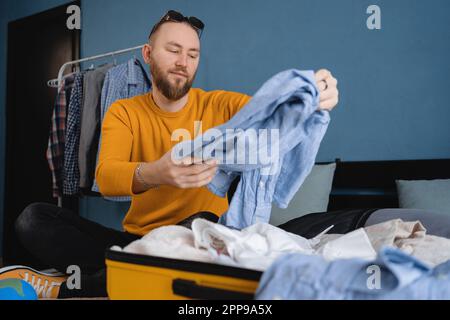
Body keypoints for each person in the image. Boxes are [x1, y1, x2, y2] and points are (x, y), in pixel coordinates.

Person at [0, 10, 339, 298]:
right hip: (137, 240)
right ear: (148, 54)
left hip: (197, 237)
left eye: (192, 54)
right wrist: (157, 173)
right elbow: (106, 176)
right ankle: (136, 273)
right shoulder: (124, 111)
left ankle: (69, 289)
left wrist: (311, 97)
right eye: (173, 50)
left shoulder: (222, 104)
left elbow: (270, 113)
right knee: (33, 218)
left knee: (205, 220)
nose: (183, 62)